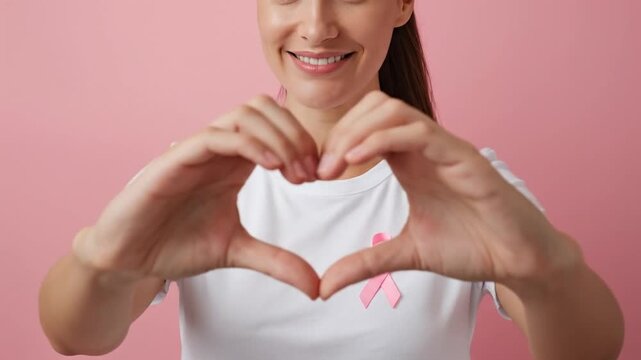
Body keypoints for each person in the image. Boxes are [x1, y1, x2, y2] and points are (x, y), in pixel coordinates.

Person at [39, 1, 624, 359]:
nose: (316, 27)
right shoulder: (196, 178)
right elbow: (74, 336)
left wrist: (545, 271)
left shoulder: (465, 186)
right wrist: (103, 259)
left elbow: (590, 350)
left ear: (401, 2)